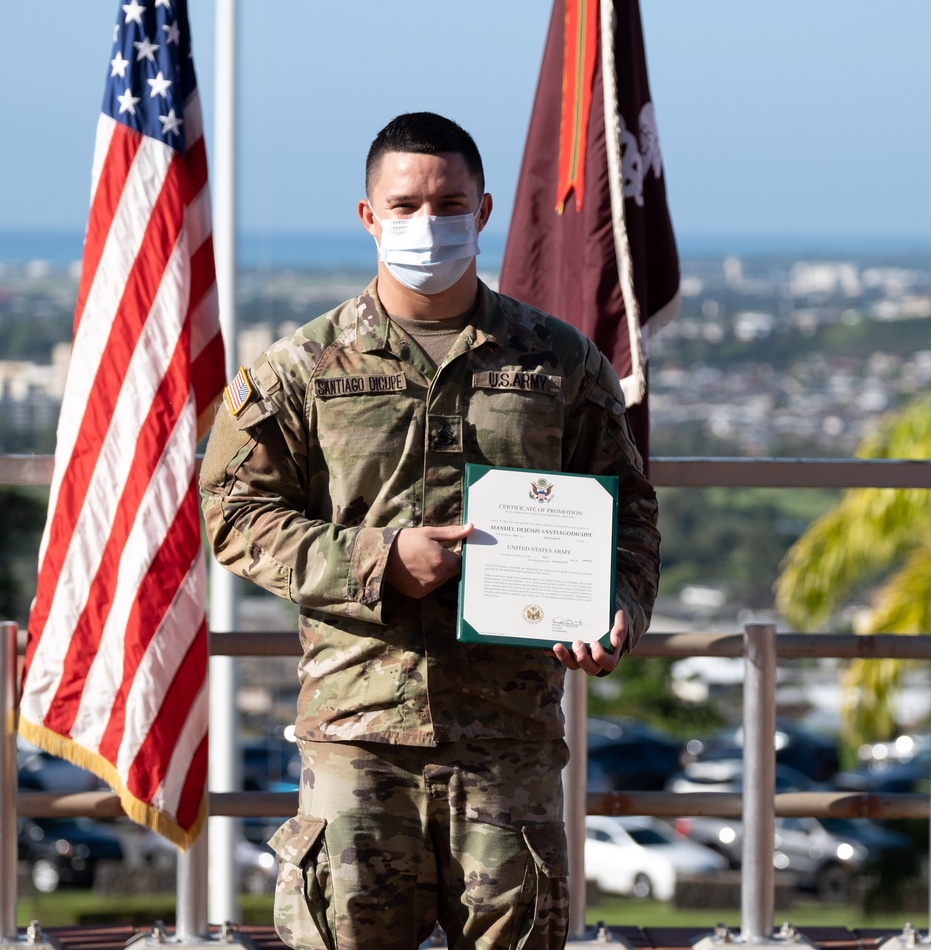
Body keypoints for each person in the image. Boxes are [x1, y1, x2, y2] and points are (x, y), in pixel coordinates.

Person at [199, 111, 660, 950]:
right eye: (405, 204)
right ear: (369, 216)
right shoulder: (305, 368)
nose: (428, 223)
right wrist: (377, 561)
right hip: (358, 738)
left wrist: (618, 601)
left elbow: (627, 507)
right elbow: (233, 513)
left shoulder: (561, 363)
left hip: (508, 741)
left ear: (482, 212)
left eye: (449, 203)